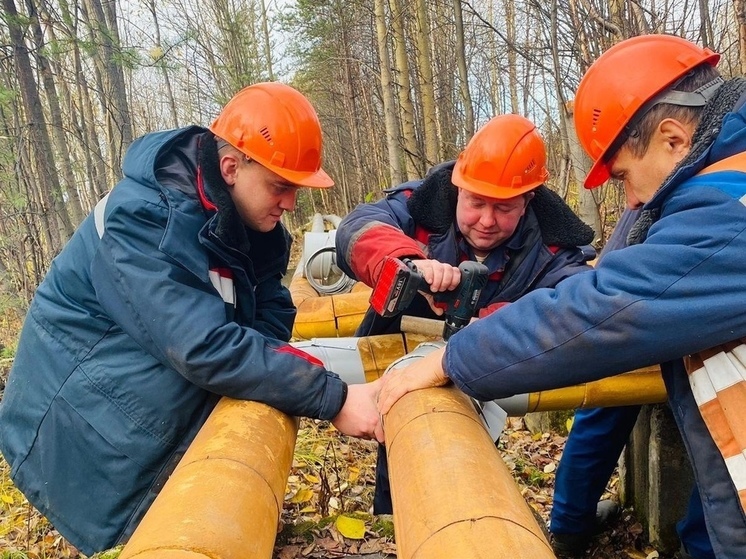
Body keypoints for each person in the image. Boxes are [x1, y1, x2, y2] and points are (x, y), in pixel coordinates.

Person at [377, 34, 746, 559]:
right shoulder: (721, 184)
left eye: (622, 176)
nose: (633, 200)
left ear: (672, 140)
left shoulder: (726, 211)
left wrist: (452, 358)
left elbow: (602, 310)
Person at [0, 82, 383, 555]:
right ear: (230, 168)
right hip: (83, 425)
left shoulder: (254, 226)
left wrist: (257, 371)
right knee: (150, 541)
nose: (290, 204)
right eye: (281, 187)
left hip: (144, 404)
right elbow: (201, 346)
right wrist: (333, 396)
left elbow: (271, 307)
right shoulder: (143, 221)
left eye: (297, 189)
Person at [336, 114, 596, 514]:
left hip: (482, 374)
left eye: (504, 208)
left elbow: (569, 304)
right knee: (404, 455)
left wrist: (490, 323)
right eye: (476, 203)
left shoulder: (557, 250)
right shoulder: (421, 207)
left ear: (529, 200)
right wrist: (408, 262)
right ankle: (397, 523)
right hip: (388, 353)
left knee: (461, 477)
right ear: (458, 186)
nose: (487, 221)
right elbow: (357, 229)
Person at [550, 208, 713, 559]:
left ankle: (569, 526)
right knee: (719, 424)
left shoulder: (662, 180)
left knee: (607, 403)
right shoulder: (686, 183)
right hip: (689, 316)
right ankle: (701, 547)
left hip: (642, 310)